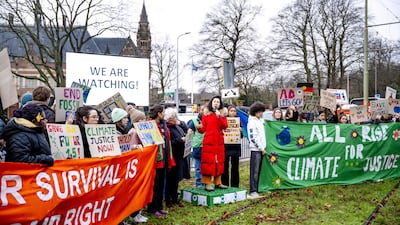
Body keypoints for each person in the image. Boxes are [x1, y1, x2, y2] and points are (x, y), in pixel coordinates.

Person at [147, 104, 175, 217]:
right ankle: (152, 208)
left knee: (160, 185)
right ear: (158, 113)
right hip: (155, 161)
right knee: (155, 186)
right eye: (163, 112)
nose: (164, 114)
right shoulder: (149, 125)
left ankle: (159, 207)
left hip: (164, 160)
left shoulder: (163, 124)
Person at [197, 95, 228, 191]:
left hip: (218, 141)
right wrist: (199, 128)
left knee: (219, 161)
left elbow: (225, 126)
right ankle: (207, 183)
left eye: (218, 102)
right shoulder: (206, 115)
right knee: (208, 162)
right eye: (214, 101)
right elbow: (203, 129)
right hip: (209, 141)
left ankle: (218, 182)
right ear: (211, 103)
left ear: (220, 104)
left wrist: (219, 117)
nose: (216, 103)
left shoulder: (222, 115)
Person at [164, 107, 186, 208]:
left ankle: (175, 198)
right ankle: (169, 200)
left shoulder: (177, 126)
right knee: (171, 179)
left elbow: (184, 130)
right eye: (174, 117)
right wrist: (180, 140)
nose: (176, 118)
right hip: (172, 156)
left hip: (179, 155)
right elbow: (168, 143)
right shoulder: (167, 128)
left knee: (176, 179)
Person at [247, 101, 266, 199]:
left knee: (260, 170)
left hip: (262, 149)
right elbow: (253, 137)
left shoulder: (261, 121)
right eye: (259, 112)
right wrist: (260, 148)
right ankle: (253, 190)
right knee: (254, 170)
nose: (261, 113)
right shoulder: (252, 122)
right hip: (256, 150)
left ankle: (258, 188)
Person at [222, 105, 242, 187]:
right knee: (225, 166)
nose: (233, 112)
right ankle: (225, 183)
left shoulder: (238, 121)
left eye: (234, 111)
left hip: (235, 146)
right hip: (226, 146)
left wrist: (240, 131)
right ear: (228, 112)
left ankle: (235, 185)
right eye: (231, 111)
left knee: (235, 167)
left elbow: (241, 136)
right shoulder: (224, 120)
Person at [187, 104, 205, 188]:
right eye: (202, 110)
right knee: (198, 167)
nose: (204, 112)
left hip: (207, 147)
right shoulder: (194, 121)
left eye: (205, 110)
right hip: (198, 147)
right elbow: (189, 133)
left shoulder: (209, 120)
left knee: (206, 167)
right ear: (199, 111)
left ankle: (206, 182)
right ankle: (199, 184)